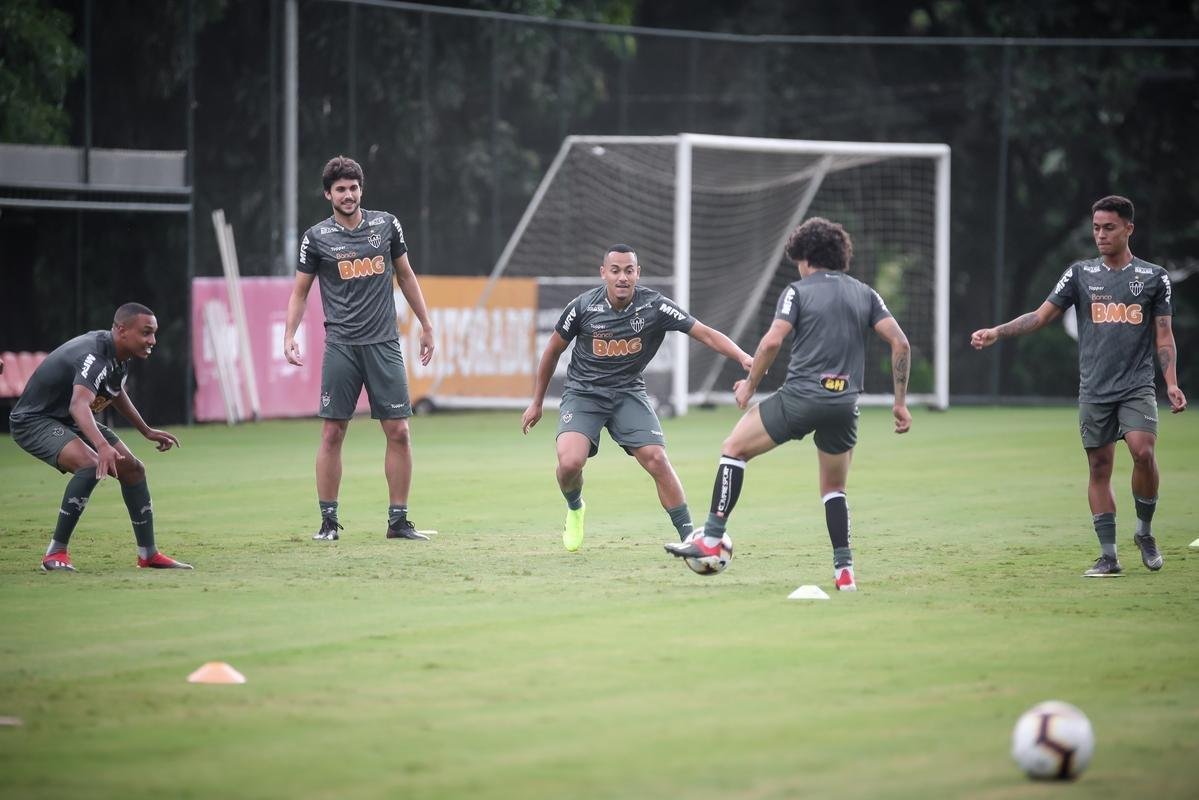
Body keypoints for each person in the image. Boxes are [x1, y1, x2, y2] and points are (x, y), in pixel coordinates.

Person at [665, 217, 912, 591]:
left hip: (801, 397)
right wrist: (899, 403)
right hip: (845, 404)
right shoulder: (866, 293)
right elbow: (901, 344)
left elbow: (770, 343)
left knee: (733, 449)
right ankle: (844, 571)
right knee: (833, 489)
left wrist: (749, 386)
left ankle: (711, 537)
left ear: (807, 257)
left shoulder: (798, 291)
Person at [971, 195, 1186, 577]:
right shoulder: (1080, 274)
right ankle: (1109, 556)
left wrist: (1170, 383)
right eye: (1096, 228)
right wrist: (997, 333)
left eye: (1109, 227)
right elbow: (1040, 317)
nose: (1101, 235)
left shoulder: (1154, 278)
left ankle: (1145, 532)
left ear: (1128, 229)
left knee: (1143, 452)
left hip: (1136, 386)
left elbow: (1164, 335)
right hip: (1094, 389)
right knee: (1099, 467)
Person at [521, 244, 753, 551]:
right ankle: (576, 508)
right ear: (603, 273)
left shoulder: (655, 306)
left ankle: (689, 539)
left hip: (628, 392)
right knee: (569, 464)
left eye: (629, 271)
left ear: (637, 273)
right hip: (583, 394)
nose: (622, 277)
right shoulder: (582, 306)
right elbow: (552, 351)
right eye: (615, 270)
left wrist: (742, 357)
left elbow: (705, 333)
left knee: (657, 459)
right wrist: (537, 402)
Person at [284, 155, 436, 542]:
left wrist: (426, 324)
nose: (348, 195)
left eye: (353, 188)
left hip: (384, 344)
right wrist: (290, 335)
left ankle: (398, 521)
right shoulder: (316, 237)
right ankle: (328, 522)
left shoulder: (386, 225)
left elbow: (406, 275)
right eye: (340, 189)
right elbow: (300, 292)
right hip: (342, 347)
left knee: (399, 430)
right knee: (333, 433)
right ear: (328, 194)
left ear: (361, 190)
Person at [9, 303, 190, 571]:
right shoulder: (94, 356)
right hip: (35, 420)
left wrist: (146, 430)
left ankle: (148, 554)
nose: (153, 340)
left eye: (154, 333)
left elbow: (114, 391)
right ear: (122, 330)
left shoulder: (118, 353)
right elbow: (78, 405)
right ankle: (55, 554)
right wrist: (102, 446)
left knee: (134, 470)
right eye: (146, 333)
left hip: (69, 417)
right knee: (91, 463)